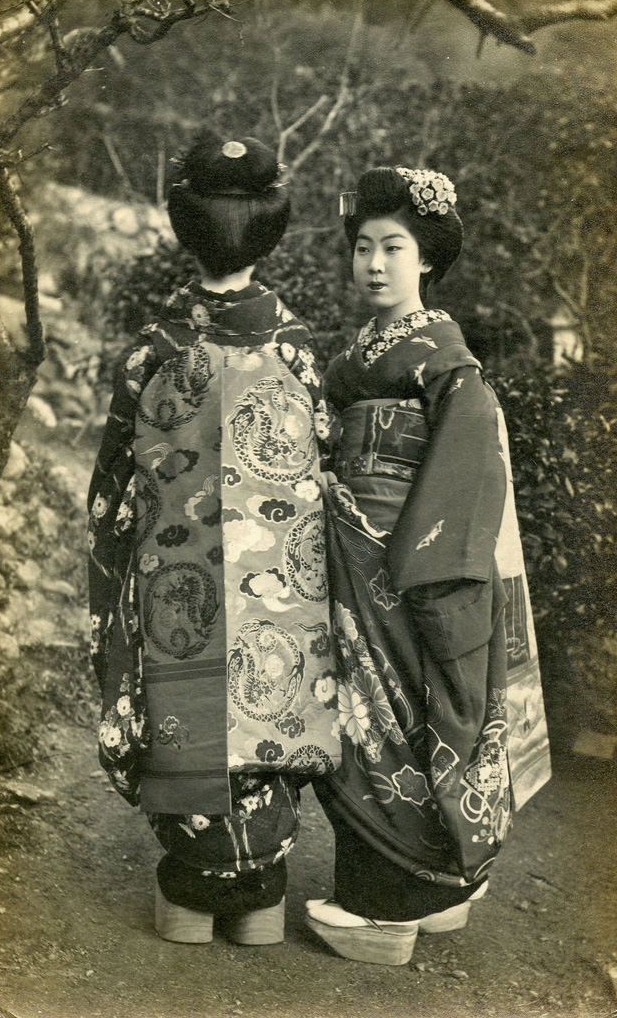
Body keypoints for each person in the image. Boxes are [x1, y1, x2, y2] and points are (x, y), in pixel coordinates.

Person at [87, 130, 339, 948]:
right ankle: (261, 888)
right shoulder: (300, 352)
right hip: (281, 596)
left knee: (177, 685)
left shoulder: (151, 354)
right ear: (274, 225)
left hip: (175, 594)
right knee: (274, 678)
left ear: (179, 223)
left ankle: (192, 886)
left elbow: (111, 501)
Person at [305, 164, 551, 965]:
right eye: (364, 247)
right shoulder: (360, 354)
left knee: (394, 722)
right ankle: (435, 890)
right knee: (369, 722)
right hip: (355, 550)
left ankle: (388, 911)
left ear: (428, 261)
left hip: (403, 562)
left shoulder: (447, 361)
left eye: (395, 248)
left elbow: (466, 467)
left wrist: (415, 556)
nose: (374, 264)